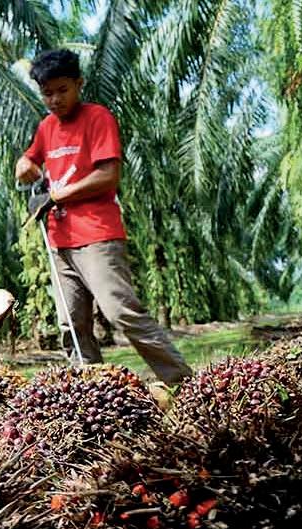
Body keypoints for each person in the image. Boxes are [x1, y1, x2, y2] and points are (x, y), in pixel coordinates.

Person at [15, 49, 193, 385]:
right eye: (47, 93)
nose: (55, 99)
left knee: (120, 311)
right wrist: (24, 164)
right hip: (59, 241)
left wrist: (57, 195)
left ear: (79, 84)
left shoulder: (97, 118)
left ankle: (182, 384)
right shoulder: (46, 128)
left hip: (97, 235)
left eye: (62, 90)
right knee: (71, 323)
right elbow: (30, 161)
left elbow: (108, 176)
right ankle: (93, 392)